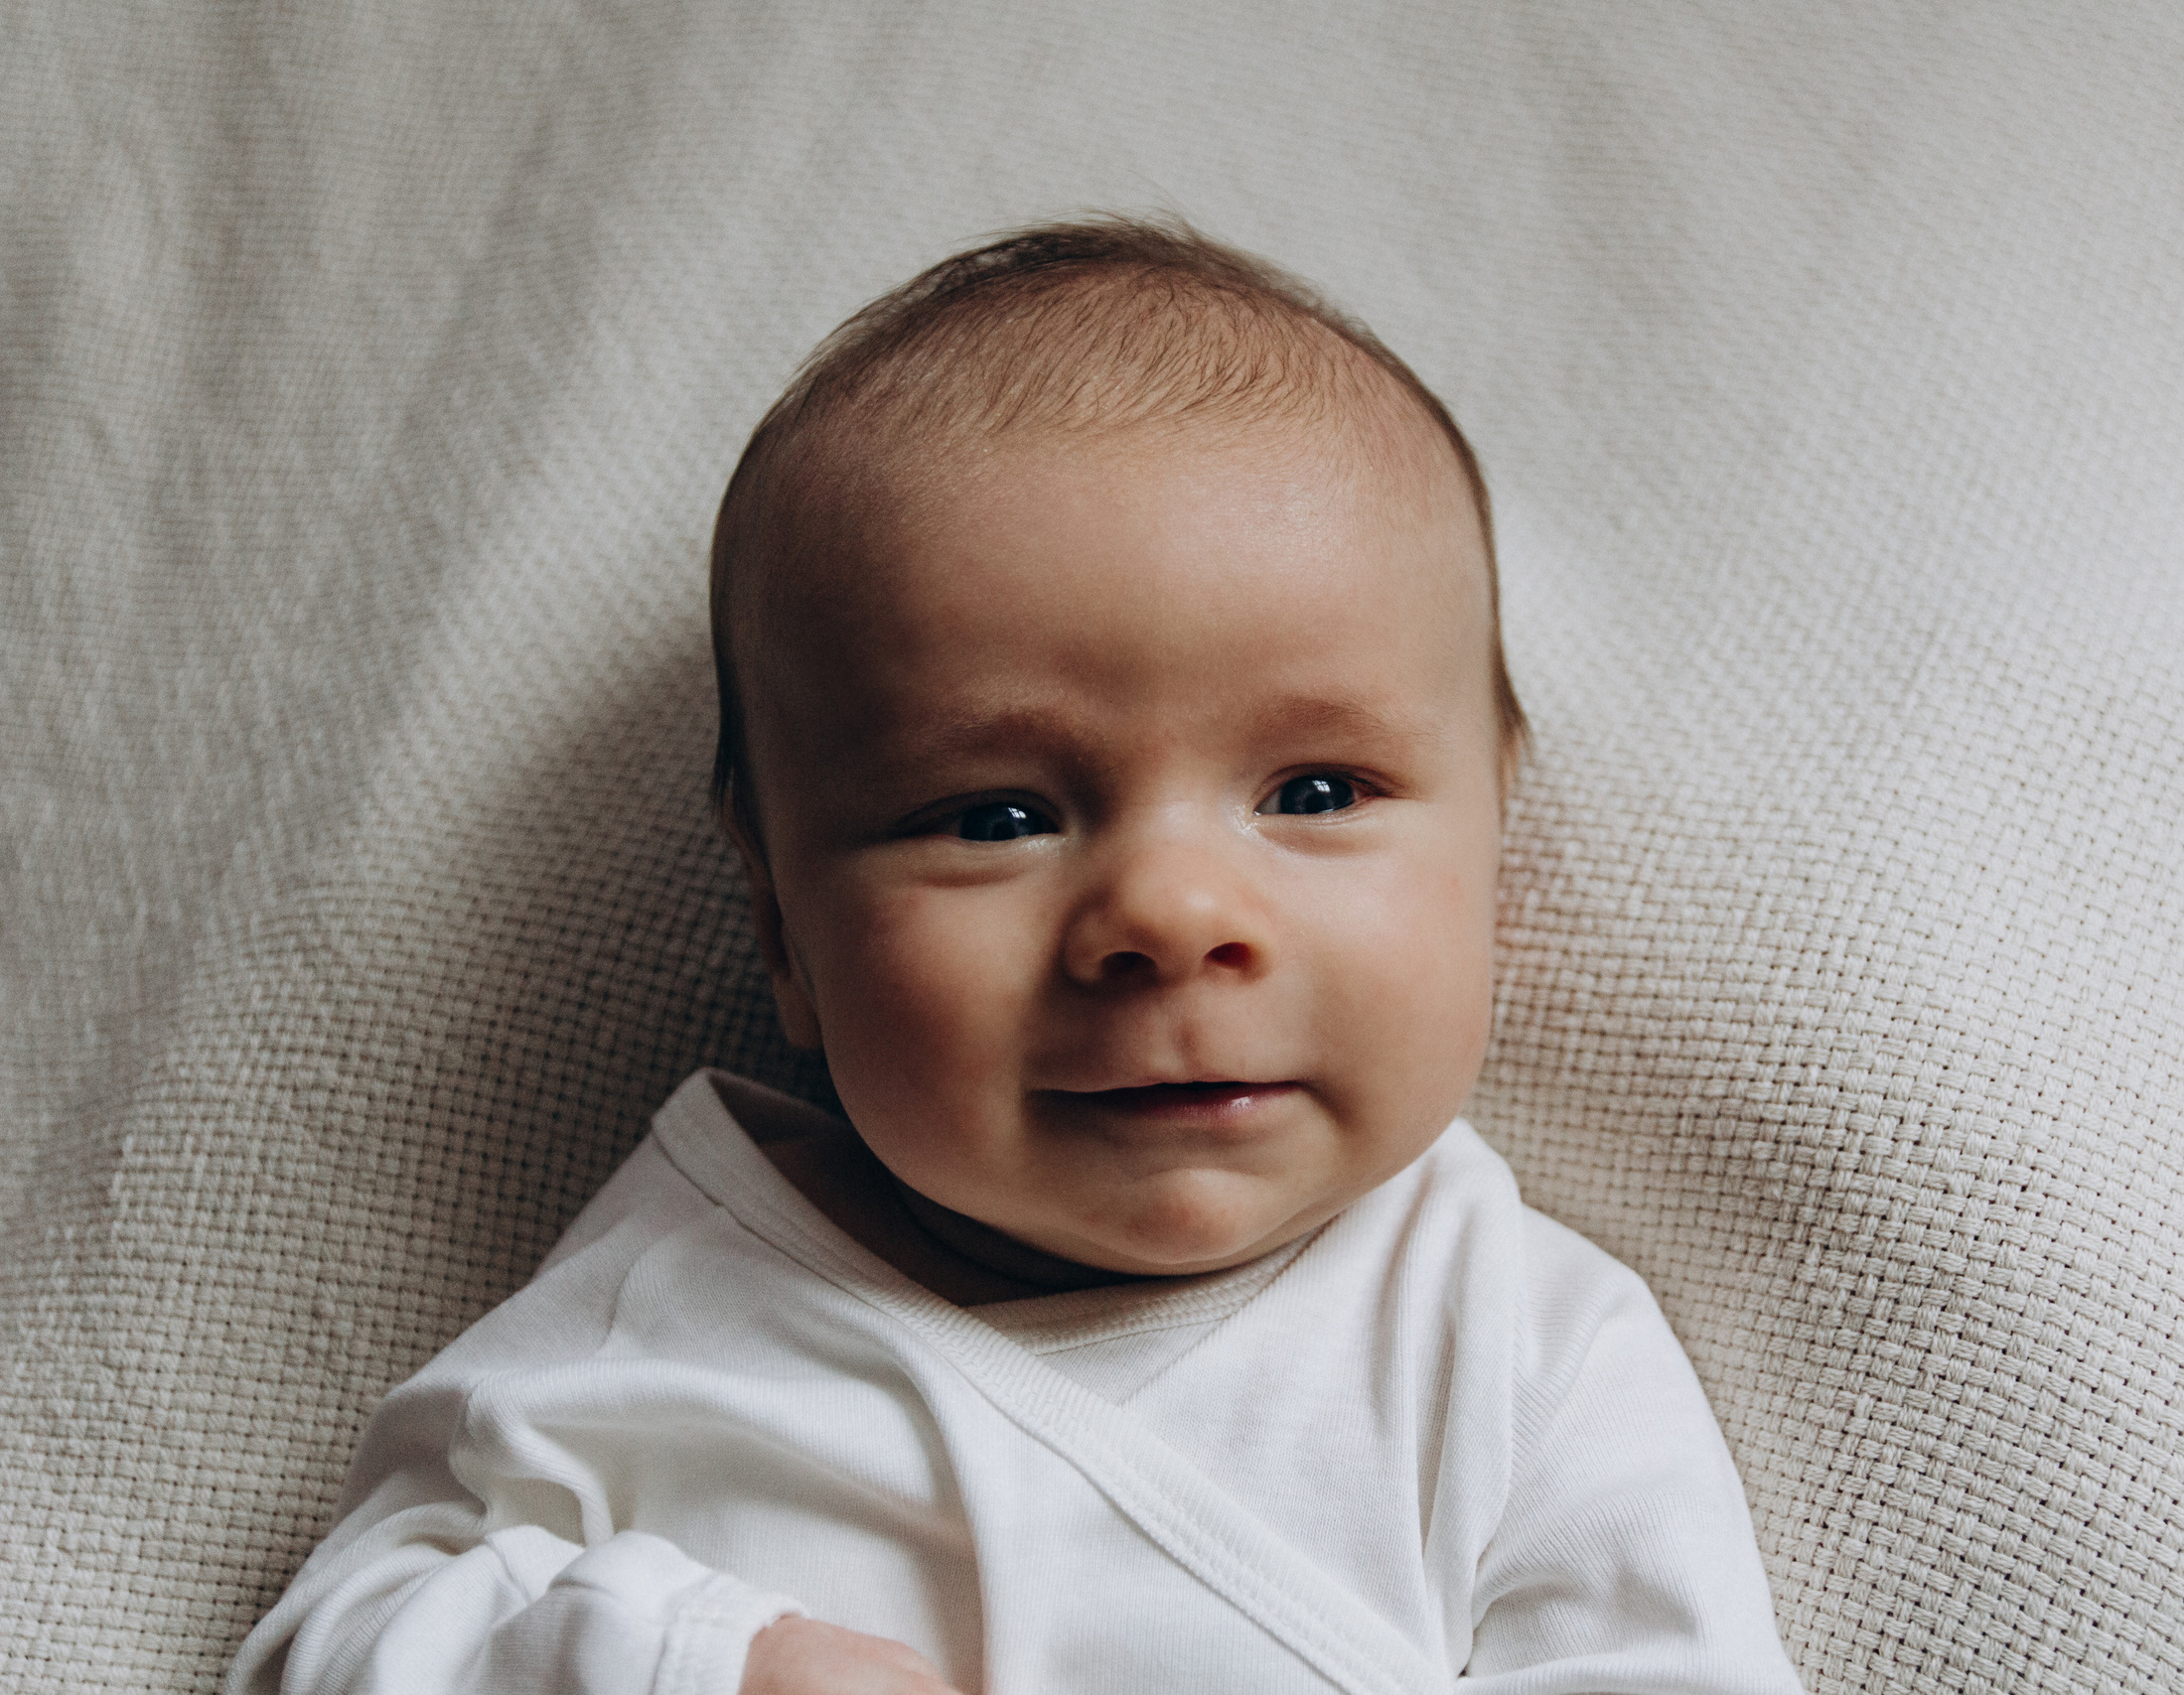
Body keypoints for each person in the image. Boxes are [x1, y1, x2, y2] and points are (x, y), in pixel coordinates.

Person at [227, 218, 1804, 1695]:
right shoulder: (671, 1300)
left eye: (1313, 794)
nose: (1173, 916)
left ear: (1492, 854)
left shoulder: (1506, 1343)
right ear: (782, 924)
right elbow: (338, 1639)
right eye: (995, 815)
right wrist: (706, 1662)